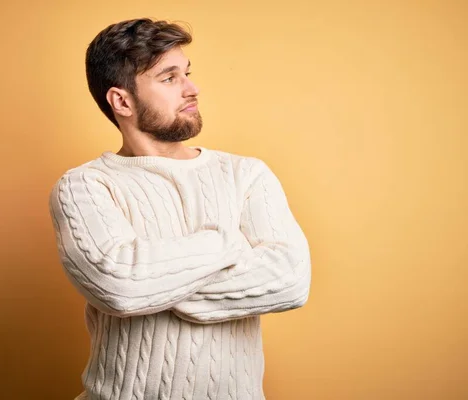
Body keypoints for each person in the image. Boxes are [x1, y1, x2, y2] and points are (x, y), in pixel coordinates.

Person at [48, 17, 311, 400]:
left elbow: (290, 280)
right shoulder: (84, 186)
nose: (192, 88)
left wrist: (157, 289)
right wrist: (227, 244)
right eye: (169, 78)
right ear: (122, 101)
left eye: (186, 73)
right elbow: (119, 286)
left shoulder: (245, 174)